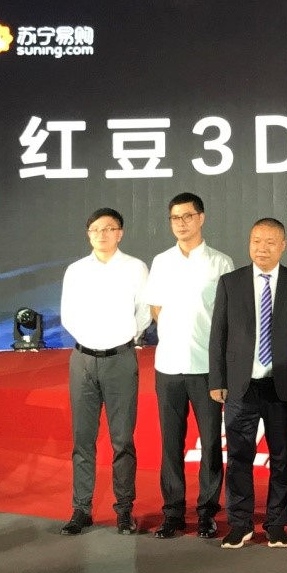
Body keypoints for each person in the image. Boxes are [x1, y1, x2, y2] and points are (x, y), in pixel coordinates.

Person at [208, 218, 287, 549]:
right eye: (256, 241)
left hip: (282, 385)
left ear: (283, 245)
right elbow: (218, 333)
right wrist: (217, 379)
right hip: (240, 385)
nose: (261, 248)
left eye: (269, 242)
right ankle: (240, 523)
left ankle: (276, 523)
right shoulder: (230, 282)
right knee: (239, 457)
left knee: (282, 458)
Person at [144, 192, 235, 539]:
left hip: (206, 368)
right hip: (168, 366)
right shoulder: (161, 261)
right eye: (175, 218)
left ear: (201, 218)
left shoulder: (220, 263)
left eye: (187, 216)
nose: (181, 223)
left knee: (210, 443)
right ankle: (173, 512)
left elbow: (226, 318)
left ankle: (208, 512)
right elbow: (156, 308)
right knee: (171, 444)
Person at [58, 207, 151, 536]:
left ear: (120, 233)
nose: (102, 234)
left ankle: (124, 509)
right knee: (83, 439)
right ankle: (81, 508)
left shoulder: (135, 268)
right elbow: (68, 314)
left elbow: (143, 312)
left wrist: (121, 336)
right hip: (83, 359)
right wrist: (92, 338)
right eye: (95, 229)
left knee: (122, 439)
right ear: (88, 234)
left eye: (109, 228)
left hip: (120, 358)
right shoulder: (76, 271)